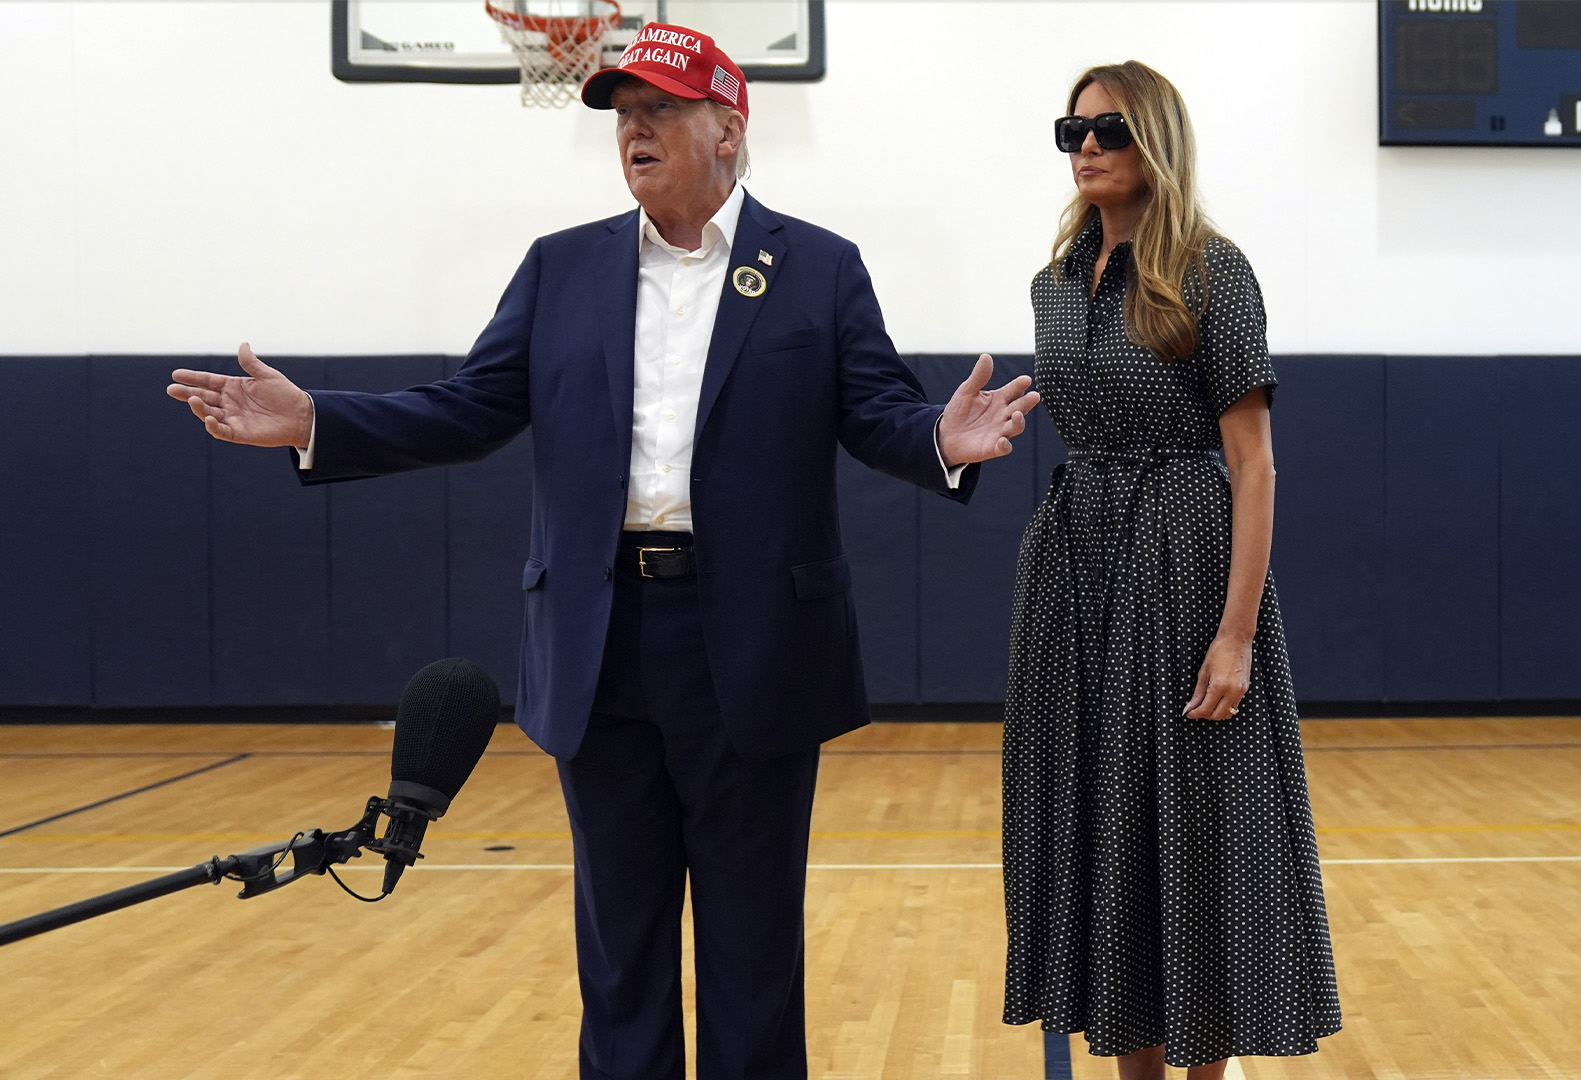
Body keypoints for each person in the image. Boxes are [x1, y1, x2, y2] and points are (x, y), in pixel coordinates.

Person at [167, 24, 1039, 1080]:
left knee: (753, 949)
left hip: (757, 646)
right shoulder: (561, 268)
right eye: (624, 114)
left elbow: (876, 412)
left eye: (660, 108)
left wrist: (940, 443)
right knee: (618, 952)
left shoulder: (818, 268)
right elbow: (470, 409)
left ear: (729, 124)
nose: (635, 128)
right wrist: (317, 422)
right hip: (599, 640)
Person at [1000, 61, 1342, 1079]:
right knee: (1104, 825)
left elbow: (1253, 464)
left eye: (1108, 130)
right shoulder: (1051, 283)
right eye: (1073, 132)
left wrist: (1234, 634)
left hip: (1183, 555)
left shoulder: (1212, 270)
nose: (1087, 147)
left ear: (1157, 140)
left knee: (1192, 827)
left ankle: (1207, 1065)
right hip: (1074, 564)